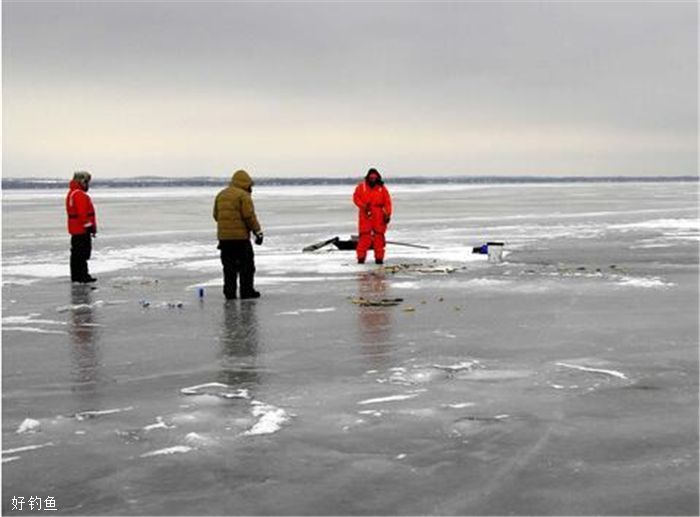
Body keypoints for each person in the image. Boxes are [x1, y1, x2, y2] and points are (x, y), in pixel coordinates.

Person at [213, 169, 264, 300]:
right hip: (240, 239)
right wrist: (257, 231)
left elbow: (216, 215)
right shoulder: (243, 196)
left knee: (229, 268)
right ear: (245, 183)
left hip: (224, 240)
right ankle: (247, 292)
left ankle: (229, 293)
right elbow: (249, 217)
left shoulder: (221, 194)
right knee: (247, 267)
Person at [352, 168, 393, 264]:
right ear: (368, 177)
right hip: (365, 214)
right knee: (364, 238)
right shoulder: (361, 187)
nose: (373, 179)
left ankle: (379, 260)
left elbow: (387, 203)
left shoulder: (382, 189)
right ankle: (361, 259)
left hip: (379, 215)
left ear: (377, 178)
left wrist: (387, 214)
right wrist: (363, 206)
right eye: (371, 177)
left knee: (379, 237)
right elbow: (356, 198)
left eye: (374, 177)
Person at [66, 171, 97, 283]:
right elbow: (82, 213)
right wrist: (89, 226)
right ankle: (82, 276)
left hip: (76, 229)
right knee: (81, 254)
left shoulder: (72, 193)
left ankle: (77, 275)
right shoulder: (79, 195)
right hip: (81, 229)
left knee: (77, 254)